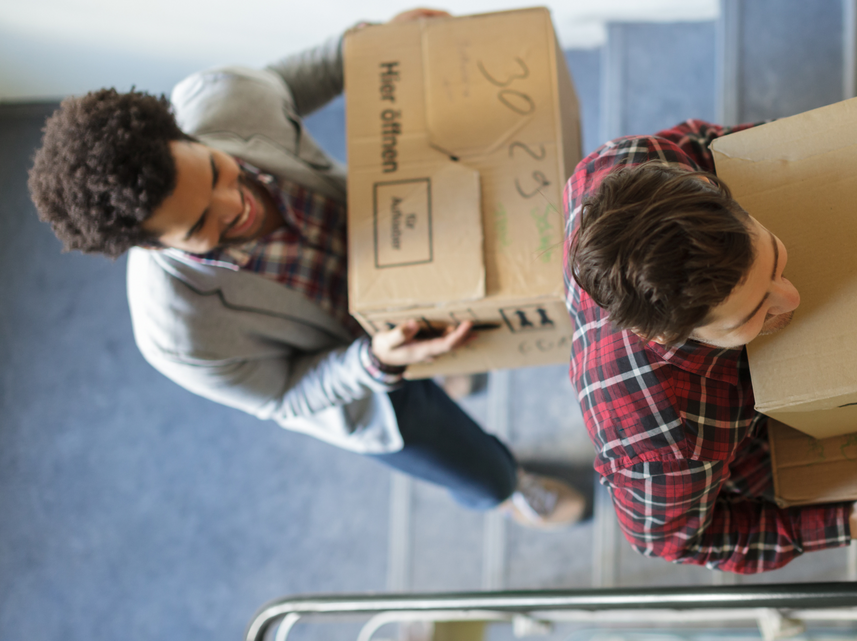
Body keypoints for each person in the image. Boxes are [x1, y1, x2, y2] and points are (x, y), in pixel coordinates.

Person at [28, 8, 584, 529]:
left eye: (219, 171)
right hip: (357, 373)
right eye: (202, 223)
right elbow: (284, 397)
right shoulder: (177, 337)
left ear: (186, 136)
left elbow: (299, 78)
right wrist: (375, 361)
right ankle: (513, 489)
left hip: (402, 251)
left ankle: (455, 371)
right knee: (475, 469)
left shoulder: (222, 97)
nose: (237, 204)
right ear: (150, 247)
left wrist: (377, 42)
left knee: (479, 337)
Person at [562, 119, 857, 573]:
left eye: (775, 260)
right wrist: (851, 523)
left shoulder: (631, 161)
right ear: (671, 335)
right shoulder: (663, 446)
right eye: (751, 314)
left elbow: (723, 143)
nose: (792, 298)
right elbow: (679, 543)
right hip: (751, 446)